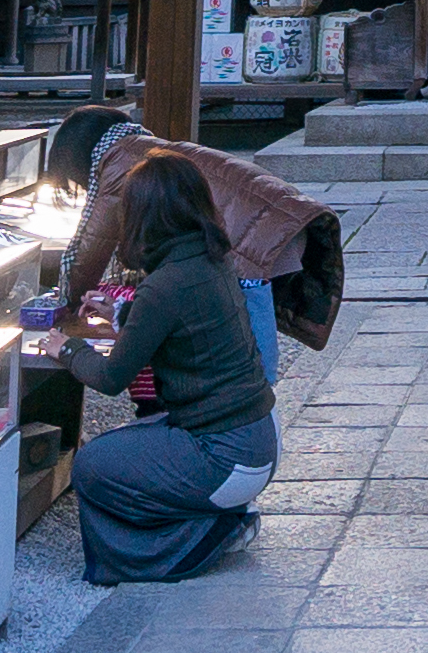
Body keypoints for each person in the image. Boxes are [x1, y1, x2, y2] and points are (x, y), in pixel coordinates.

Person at [47, 153, 276, 582]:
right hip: (256, 439)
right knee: (127, 441)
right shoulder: (209, 257)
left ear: (144, 218)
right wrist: (119, 313)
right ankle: (218, 518)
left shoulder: (166, 283)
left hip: (227, 456)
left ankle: (199, 538)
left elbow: (112, 378)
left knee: (92, 465)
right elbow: (178, 324)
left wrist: (67, 349)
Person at [46, 107, 343, 375]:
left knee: (255, 362)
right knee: (240, 332)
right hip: (280, 225)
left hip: (258, 243)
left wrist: (64, 304)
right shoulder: (142, 144)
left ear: (78, 159)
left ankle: (256, 412)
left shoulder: (115, 162)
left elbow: (91, 246)